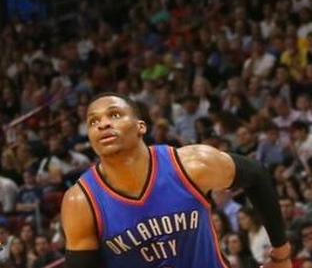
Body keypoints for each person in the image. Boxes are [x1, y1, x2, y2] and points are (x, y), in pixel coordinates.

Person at [61, 93, 292, 267]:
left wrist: (281, 255)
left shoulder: (190, 164)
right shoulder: (81, 201)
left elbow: (257, 176)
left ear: (140, 126)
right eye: (93, 121)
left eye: (114, 114)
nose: (102, 124)